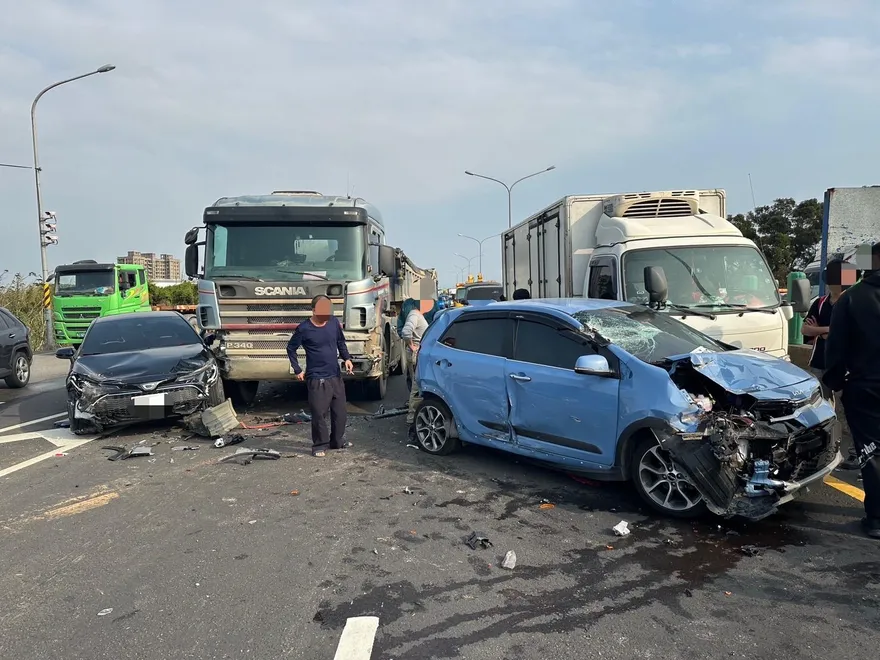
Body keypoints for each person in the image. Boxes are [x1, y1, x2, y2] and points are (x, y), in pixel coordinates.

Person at [823, 242, 880, 539]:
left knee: (872, 451)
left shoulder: (853, 298)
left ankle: (877, 519)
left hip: (867, 387)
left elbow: (837, 348)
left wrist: (836, 383)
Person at [803, 260, 858, 469]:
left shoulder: (852, 302)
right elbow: (805, 331)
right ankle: (824, 452)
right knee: (820, 411)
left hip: (846, 366)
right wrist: (826, 331)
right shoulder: (820, 302)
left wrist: (826, 331)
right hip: (819, 363)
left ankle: (856, 453)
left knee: (849, 412)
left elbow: (851, 332)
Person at [286, 295, 354, 457]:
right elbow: (291, 348)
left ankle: (337, 441)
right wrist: (297, 369)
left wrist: (347, 359)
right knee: (319, 414)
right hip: (317, 378)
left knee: (340, 413)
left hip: (335, 376)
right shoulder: (304, 329)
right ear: (314, 310)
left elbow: (340, 342)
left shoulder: (333, 323)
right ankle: (319, 445)